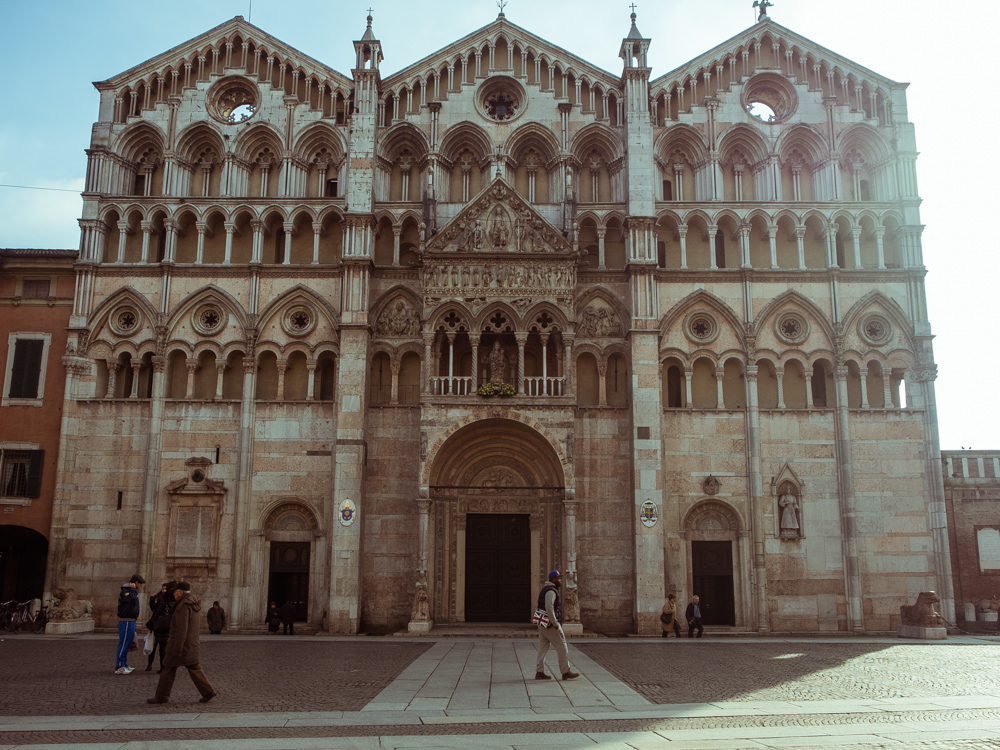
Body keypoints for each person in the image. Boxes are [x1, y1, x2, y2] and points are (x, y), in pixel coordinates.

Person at [147, 581, 217, 704]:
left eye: (175, 592)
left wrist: (177, 649)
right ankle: (208, 691)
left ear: (180, 592)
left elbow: (181, 629)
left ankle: (161, 696)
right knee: (193, 667)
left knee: (168, 668)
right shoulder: (192, 602)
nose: (173, 595)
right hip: (190, 643)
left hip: (180, 644)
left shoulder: (183, 606)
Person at [534, 570, 579, 681]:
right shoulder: (551, 591)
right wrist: (555, 623)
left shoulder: (545, 589)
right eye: (558, 578)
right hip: (549, 624)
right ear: (553, 579)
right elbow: (549, 607)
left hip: (542, 622)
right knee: (562, 647)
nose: (560, 580)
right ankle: (565, 671)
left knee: (543, 647)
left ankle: (539, 672)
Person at [115, 574, 145, 674]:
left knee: (127, 643)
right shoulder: (126, 591)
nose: (139, 586)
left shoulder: (131, 591)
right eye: (139, 583)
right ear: (136, 583)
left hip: (131, 620)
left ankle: (124, 663)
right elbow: (130, 599)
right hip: (126, 620)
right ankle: (119, 666)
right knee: (124, 643)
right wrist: (133, 589)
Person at [146, 583, 174, 672]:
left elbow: (156, 612)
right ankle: (161, 667)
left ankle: (152, 665)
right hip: (167, 626)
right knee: (162, 648)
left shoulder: (163, 600)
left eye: (165, 589)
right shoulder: (173, 600)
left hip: (159, 626)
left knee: (155, 646)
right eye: (163, 588)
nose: (164, 590)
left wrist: (151, 624)